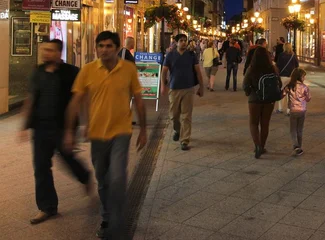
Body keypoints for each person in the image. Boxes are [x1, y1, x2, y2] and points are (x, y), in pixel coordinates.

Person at [63, 31, 147, 240]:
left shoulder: (128, 69)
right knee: (102, 179)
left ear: (117, 48)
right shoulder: (88, 70)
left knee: (117, 177)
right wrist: (69, 131)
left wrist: (144, 129)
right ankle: (107, 215)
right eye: (101, 46)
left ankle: (115, 220)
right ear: (96, 48)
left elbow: (138, 99)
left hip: (121, 132)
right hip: (97, 134)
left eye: (109, 46)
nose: (104, 50)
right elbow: (75, 101)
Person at [18, 39, 91, 225]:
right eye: (44, 50)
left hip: (62, 127)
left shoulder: (71, 73)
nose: (45, 54)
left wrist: (73, 130)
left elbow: (80, 100)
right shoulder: (38, 72)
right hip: (40, 128)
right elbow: (31, 97)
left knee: (67, 158)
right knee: (41, 168)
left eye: (49, 51)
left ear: (59, 53)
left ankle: (84, 176)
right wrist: (24, 125)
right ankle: (47, 207)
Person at [162, 34, 204, 150]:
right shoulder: (170, 55)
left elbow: (198, 71)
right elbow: (164, 71)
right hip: (174, 88)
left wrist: (201, 87)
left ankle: (184, 140)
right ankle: (177, 130)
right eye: (181, 40)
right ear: (176, 42)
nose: (184, 42)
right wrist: (162, 86)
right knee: (174, 115)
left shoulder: (191, 55)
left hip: (188, 89)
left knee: (186, 116)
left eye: (185, 40)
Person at [243, 46, 281, 159]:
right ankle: (262, 146)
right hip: (269, 99)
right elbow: (278, 82)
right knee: (265, 123)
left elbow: (245, 84)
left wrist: (248, 92)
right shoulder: (272, 68)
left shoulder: (252, 68)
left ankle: (257, 145)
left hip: (255, 99)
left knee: (253, 123)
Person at [283, 68, 311, 156]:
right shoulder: (305, 87)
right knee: (300, 129)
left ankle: (296, 146)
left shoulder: (290, 86)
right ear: (300, 77)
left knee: (293, 130)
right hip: (302, 110)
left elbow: (283, 93)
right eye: (303, 76)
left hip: (293, 110)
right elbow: (308, 98)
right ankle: (300, 146)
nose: (304, 78)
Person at [275, 42, 299, 114]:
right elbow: (297, 66)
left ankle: (280, 108)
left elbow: (278, 66)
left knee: (282, 92)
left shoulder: (281, 55)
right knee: (290, 94)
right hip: (291, 76)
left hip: (282, 76)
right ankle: (289, 110)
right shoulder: (293, 55)